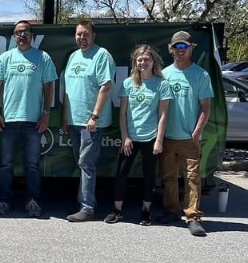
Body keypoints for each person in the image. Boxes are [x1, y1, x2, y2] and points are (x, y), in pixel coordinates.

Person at [0, 20, 57, 217]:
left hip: (33, 121)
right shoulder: (5, 58)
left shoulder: (42, 57)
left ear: (32, 36)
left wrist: (45, 114)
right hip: (8, 120)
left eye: (26, 32)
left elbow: (48, 87)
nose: (22, 35)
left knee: (33, 165)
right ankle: (3, 201)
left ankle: (33, 201)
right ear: (13, 36)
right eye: (19, 32)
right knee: (6, 165)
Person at [106, 44, 173, 226]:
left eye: (147, 60)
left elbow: (163, 115)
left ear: (153, 62)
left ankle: (145, 211)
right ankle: (117, 210)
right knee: (121, 174)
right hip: (131, 138)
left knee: (149, 176)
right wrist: (125, 136)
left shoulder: (162, 84)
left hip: (151, 138)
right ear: (135, 62)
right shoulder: (128, 83)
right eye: (140, 59)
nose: (143, 63)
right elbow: (122, 113)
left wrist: (159, 140)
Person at [159, 31, 214, 237]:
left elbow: (206, 108)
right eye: (176, 47)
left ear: (191, 48)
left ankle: (193, 217)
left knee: (192, 179)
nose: (180, 51)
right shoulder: (164, 74)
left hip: (189, 138)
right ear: (170, 49)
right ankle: (172, 211)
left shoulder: (201, 75)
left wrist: (197, 131)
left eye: (184, 47)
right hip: (167, 137)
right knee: (168, 177)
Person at [62, 19, 116, 222]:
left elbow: (106, 86)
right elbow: (67, 89)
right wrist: (65, 116)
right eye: (78, 34)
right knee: (82, 162)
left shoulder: (102, 55)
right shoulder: (74, 56)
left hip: (91, 122)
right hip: (74, 120)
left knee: (86, 163)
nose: (81, 38)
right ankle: (84, 202)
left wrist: (94, 116)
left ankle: (87, 207)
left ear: (94, 36)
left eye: (85, 34)